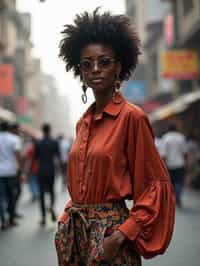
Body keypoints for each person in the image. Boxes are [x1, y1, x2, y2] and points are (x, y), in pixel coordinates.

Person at [55, 9, 175, 266]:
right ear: (81, 72)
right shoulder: (82, 123)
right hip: (76, 237)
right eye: (87, 64)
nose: (95, 69)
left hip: (111, 239)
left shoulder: (133, 118)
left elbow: (154, 187)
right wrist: (66, 218)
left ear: (118, 67)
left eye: (104, 62)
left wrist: (121, 235)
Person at [34, 123, 60, 226]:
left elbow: (35, 158)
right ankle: (52, 206)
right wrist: (61, 170)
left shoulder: (38, 143)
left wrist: (29, 171)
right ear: (50, 130)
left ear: (42, 130)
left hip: (41, 170)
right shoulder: (54, 142)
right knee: (52, 190)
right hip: (51, 169)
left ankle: (43, 217)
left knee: (41, 193)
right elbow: (58, 157)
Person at [0, 121, 23, 230]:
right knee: (12, 195)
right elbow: (18, 155)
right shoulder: (14, 139)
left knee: (1, 197)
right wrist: (21, 170)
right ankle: (11, 219)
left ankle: (2, 221)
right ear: (9, 128)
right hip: (11, 172)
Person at [162, 124, 187, 208]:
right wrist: (186, 162)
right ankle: (178, 198)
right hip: (180, 163)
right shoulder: (181, 137)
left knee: (170, 183)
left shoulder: (165, 138)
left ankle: (171, 199)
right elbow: (184, 152)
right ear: (176, 129)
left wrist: (163, 165)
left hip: (169, 164)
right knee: (179, 182)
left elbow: (163, 154)